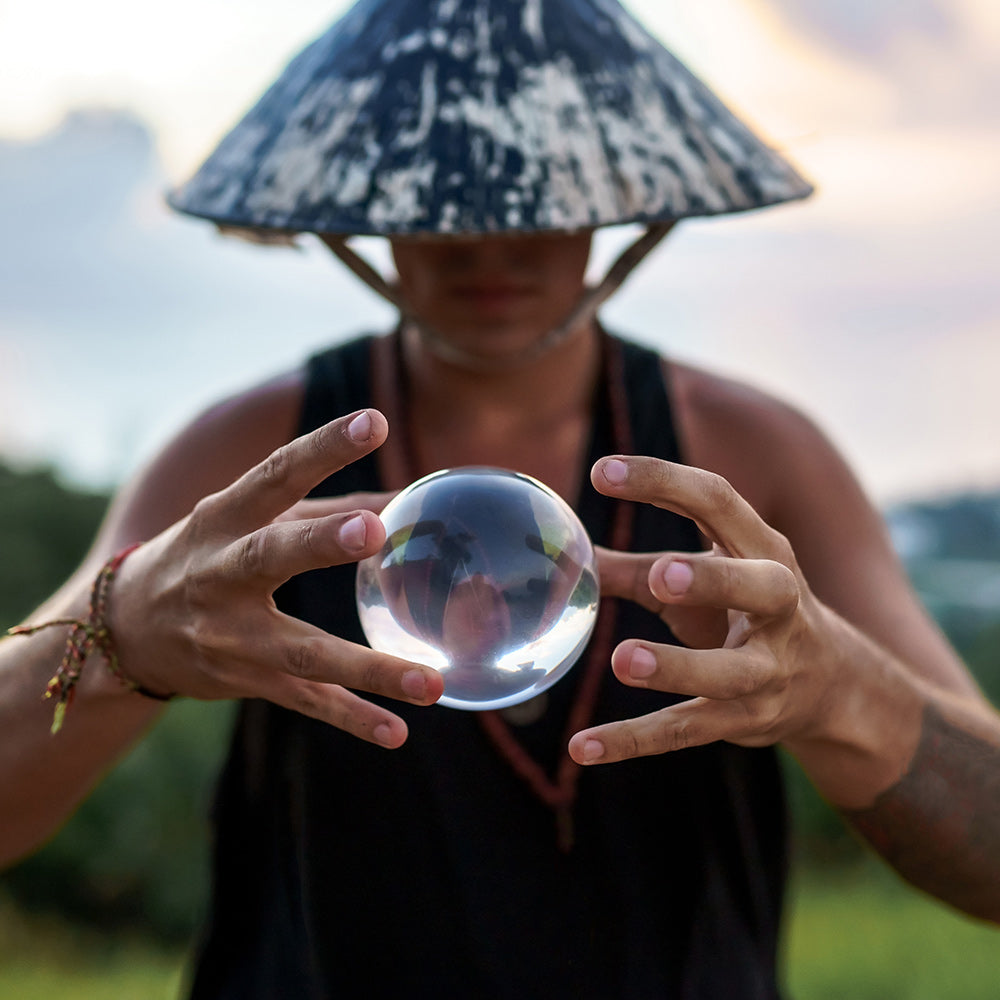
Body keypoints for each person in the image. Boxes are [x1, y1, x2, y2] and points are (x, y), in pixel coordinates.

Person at [2, 0, 998, 996]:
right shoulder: (248, 460)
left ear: (617, 200)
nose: (489, 237)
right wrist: (119, 633)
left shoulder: (754, 457)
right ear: (369, 209)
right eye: (439, 196)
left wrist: (839, 692)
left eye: (536, 192)